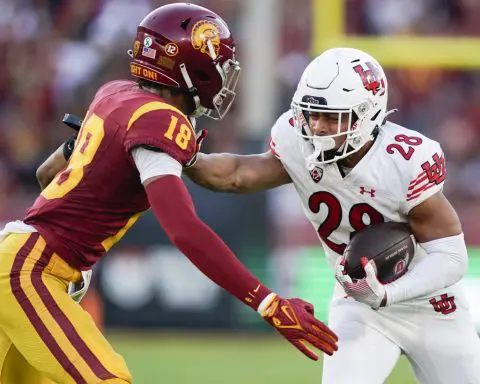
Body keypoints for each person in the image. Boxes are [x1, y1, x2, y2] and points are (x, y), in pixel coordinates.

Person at [0, 4, 338, 384]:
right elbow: (184, 230)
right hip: (31, 271)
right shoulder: (159, 121)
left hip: (22, 259)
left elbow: (47, 173)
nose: (224, 74)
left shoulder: (116, 94)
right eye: (219, 64)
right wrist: (267, 301)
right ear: (190, 68)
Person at [184, 47, 480, 383]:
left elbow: (451, 255)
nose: (319, 127)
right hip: (359, 302)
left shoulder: (404, 160)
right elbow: (237, 173)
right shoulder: (297, 140)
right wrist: (191, 158)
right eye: (312, 115)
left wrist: (388, 293)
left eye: (332, 117)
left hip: (432, 304)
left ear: (366, 114)